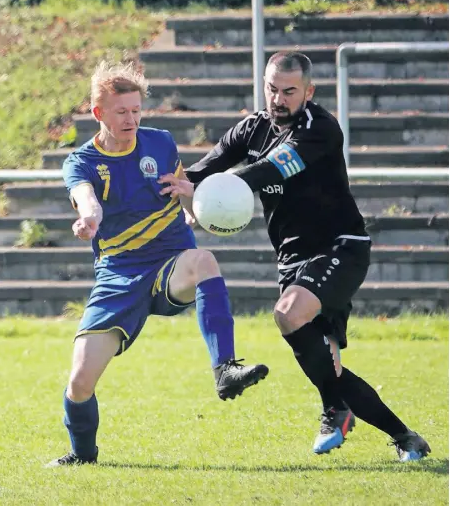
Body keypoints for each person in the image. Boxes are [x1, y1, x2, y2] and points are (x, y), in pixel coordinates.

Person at [167, 51, 431, 462]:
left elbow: (269, 170)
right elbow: (207, 165)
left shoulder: (321, 129)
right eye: (272, 88)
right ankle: (402, 436)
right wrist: (177, 185)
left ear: (308, 91)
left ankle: (335, 410)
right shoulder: (252, 128)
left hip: (340, 246)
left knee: (288, 314)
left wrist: (213, 192)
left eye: (289, 91)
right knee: (329, 366)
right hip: (292, 259)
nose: (278, 99)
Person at [47, 61, 269, 467]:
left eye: (136, 110)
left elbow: (188, 205)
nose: (131, 119)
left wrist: (192, 194)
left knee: (204, 259)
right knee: (79, 383)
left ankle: (225, 369)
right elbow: (86, 197)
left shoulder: (161, 143)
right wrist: (90, 217)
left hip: (170, 261)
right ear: (99, 114)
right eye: (121, 112)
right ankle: (82, 456)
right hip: (118, 274)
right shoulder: (79, 161)